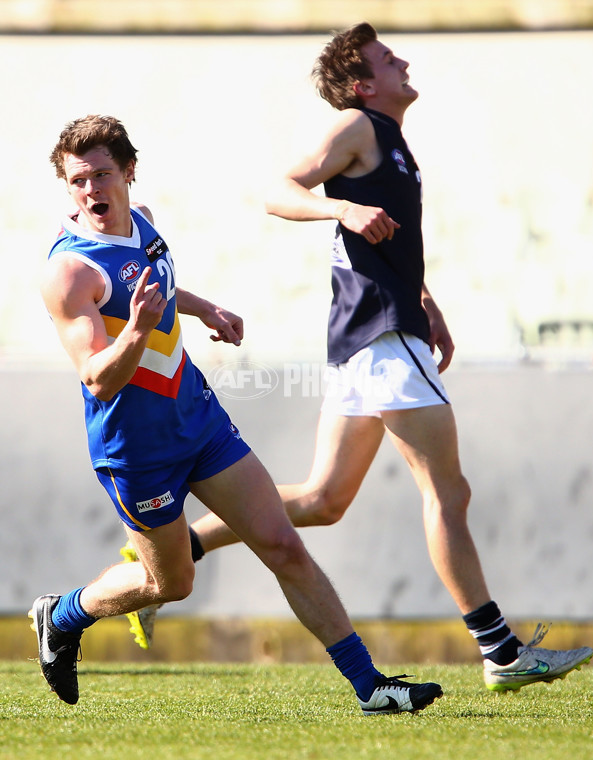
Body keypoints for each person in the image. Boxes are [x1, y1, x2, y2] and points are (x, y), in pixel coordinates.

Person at [123, 23, 593, 693]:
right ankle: (500, 650)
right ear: (363, 84)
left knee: (320, 499)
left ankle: (182, 545)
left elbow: (385, 245)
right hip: (380, 338)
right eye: (387, 59)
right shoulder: (358, 126)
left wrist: (423, 297)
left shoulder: (393, 143)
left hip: (370, 335)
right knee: (448, 492)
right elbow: (275, 189)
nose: (403, 62)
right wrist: (339, 209)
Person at [29, 113, 444, 715]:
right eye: (77, 181)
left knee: (281, 543)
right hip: (136, 451)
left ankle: (371, 686)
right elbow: (99, 377)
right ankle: (63, 615)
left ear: (129, 173)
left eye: (101, 174)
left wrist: (202, 309)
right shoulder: (69, 273)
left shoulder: (142, 223)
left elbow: (157, 285)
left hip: (197, 420)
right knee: (170, 584)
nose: (91, 189)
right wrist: (143, 329)